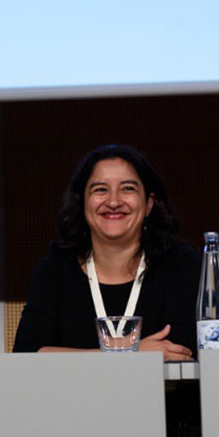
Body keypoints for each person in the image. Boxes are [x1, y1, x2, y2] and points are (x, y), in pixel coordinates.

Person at [13, 144, 199, 360]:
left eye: (127, 188)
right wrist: (132, 353)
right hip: (77, 395)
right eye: (100, 189)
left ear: (148, 203)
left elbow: (184, 350)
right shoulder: (56, 269)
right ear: (82, 202)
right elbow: (26, 354)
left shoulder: (181, 265)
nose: (113, 202)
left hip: (164, 394)